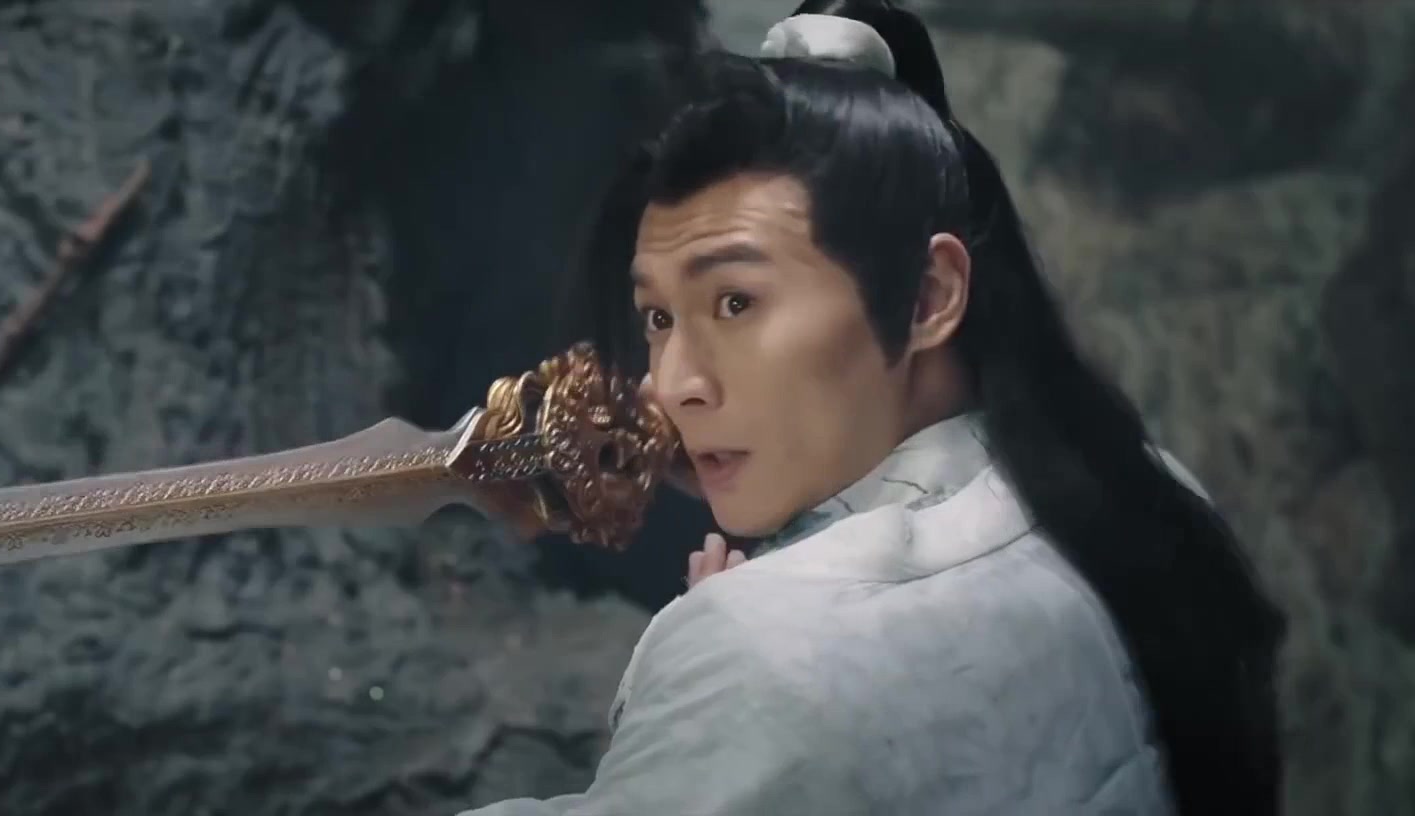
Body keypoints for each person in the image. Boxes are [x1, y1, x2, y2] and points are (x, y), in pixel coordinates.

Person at [464, 1, 1286, 814]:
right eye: (658, 318)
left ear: (928, 296)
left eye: (736, 303)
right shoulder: (1141, 492)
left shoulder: (762, 655)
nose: (673, 385)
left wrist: (718, 653)